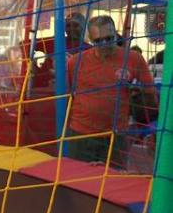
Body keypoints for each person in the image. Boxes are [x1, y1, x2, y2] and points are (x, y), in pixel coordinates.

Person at [66, 15, 156, 167]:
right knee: (77, 178)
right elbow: (67, 95)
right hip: (81, 133)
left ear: (116, 34)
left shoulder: (133, 59)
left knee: (114, 178)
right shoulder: (75, 62)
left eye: (109, 38)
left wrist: (136, 95)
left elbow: (150, 93)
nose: (104, 44)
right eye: (98, 41)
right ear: (91, 40)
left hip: (116, 135)